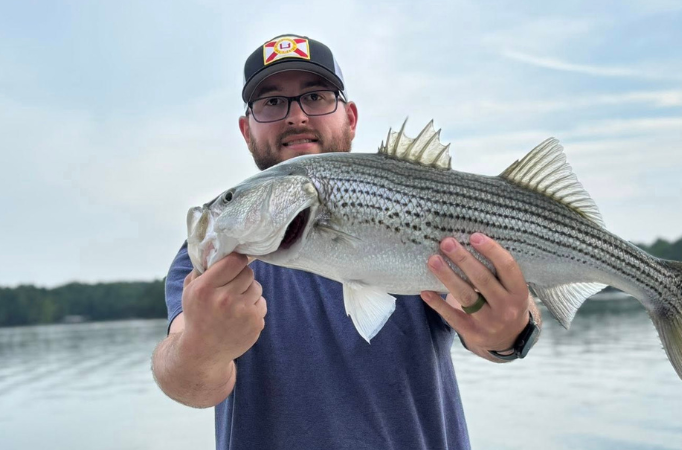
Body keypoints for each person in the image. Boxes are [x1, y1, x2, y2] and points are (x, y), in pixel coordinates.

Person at [152, 34, 542, 450]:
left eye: (316, 96)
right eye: (271, 102)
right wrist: (201, 348)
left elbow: (501, 328)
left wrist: (511, 334)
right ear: (247, 131)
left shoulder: (422, 206)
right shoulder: (213, 258)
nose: (296, 117)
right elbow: (187, 382)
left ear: (350, 117)